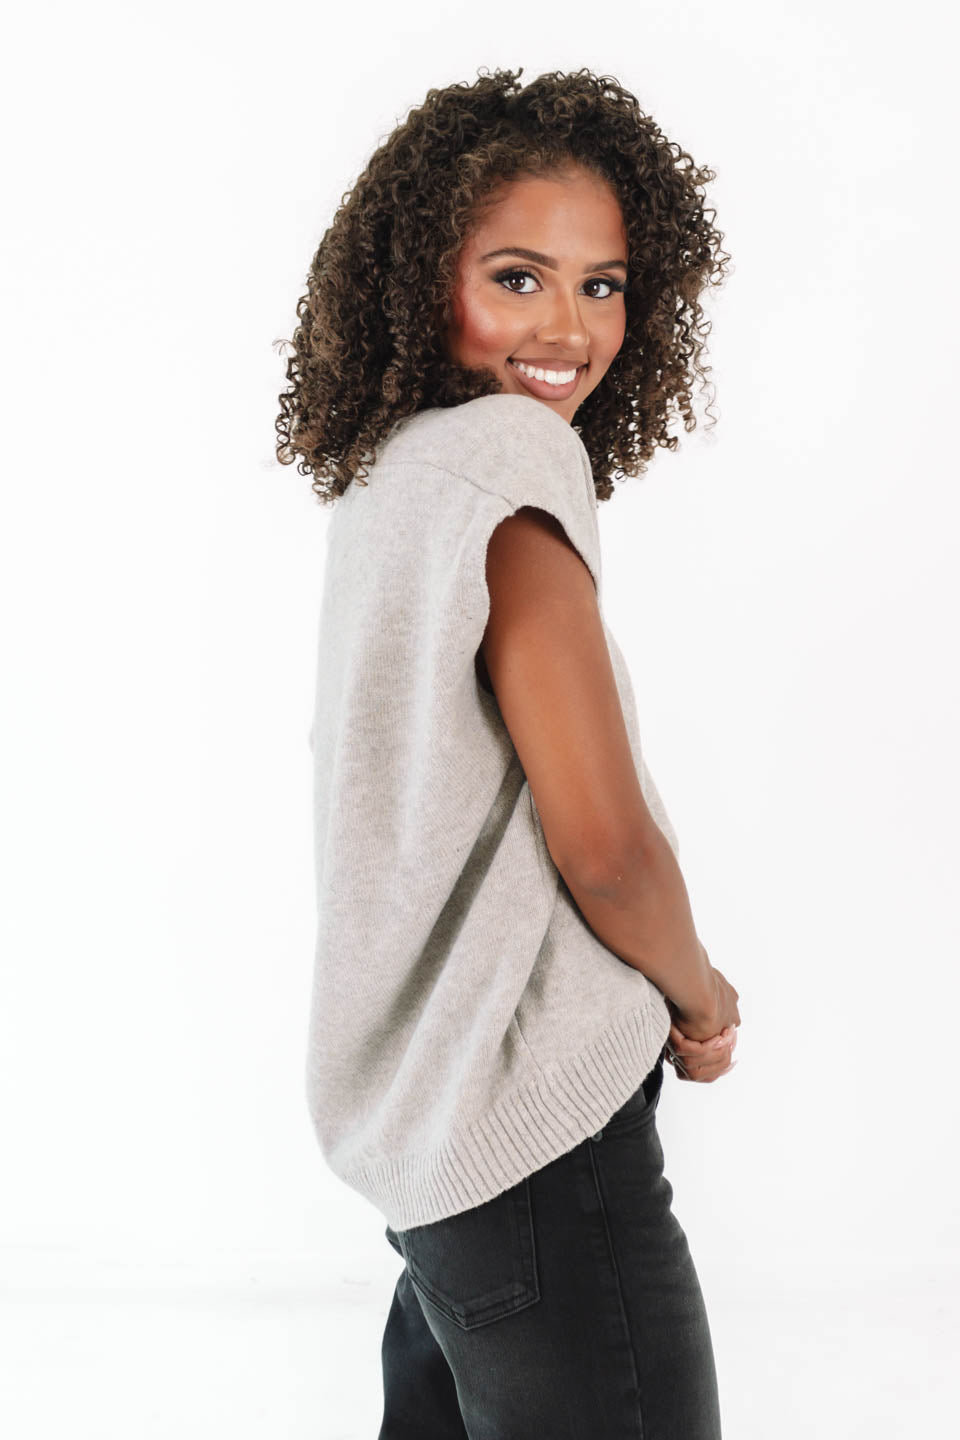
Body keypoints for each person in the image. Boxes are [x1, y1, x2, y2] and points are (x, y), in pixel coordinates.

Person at [276, 65, 741, 1440]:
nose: (568, 327)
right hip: (539, 1149)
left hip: (437, 1157)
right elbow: (605, 845)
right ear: (423, 277)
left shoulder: (394, 477)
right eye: (518, 277)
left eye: (603, 285)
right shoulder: (507, 463)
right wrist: (702, 996)